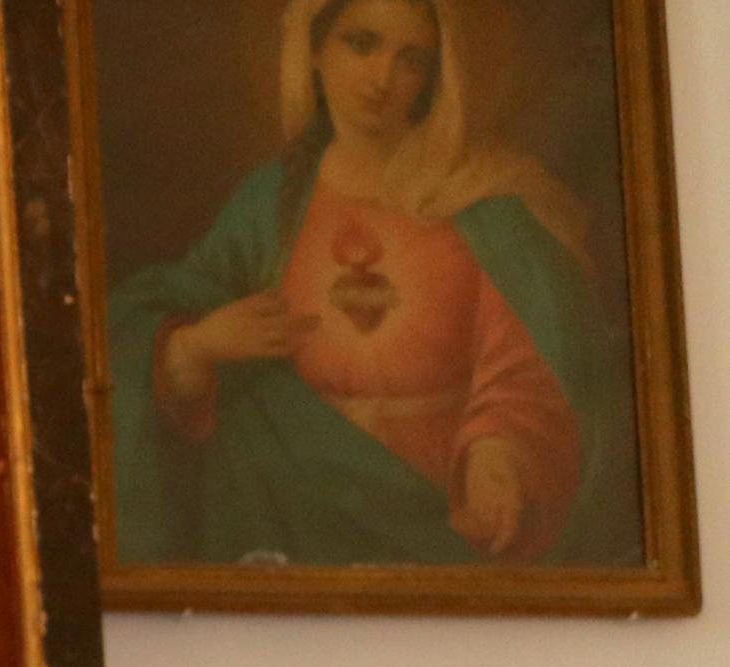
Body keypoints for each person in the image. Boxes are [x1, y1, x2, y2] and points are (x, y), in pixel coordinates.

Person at [107, 0, 633, 570]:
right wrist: (193, 346)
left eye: (410, 60)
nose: (382, 78)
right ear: (313, 49)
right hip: (284, 517)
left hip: (440, 523)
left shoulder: (484, 203)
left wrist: (499, 453)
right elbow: (151, 319)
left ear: (434, 75)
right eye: (361, 44)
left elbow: (531, 369)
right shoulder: (270, 203)